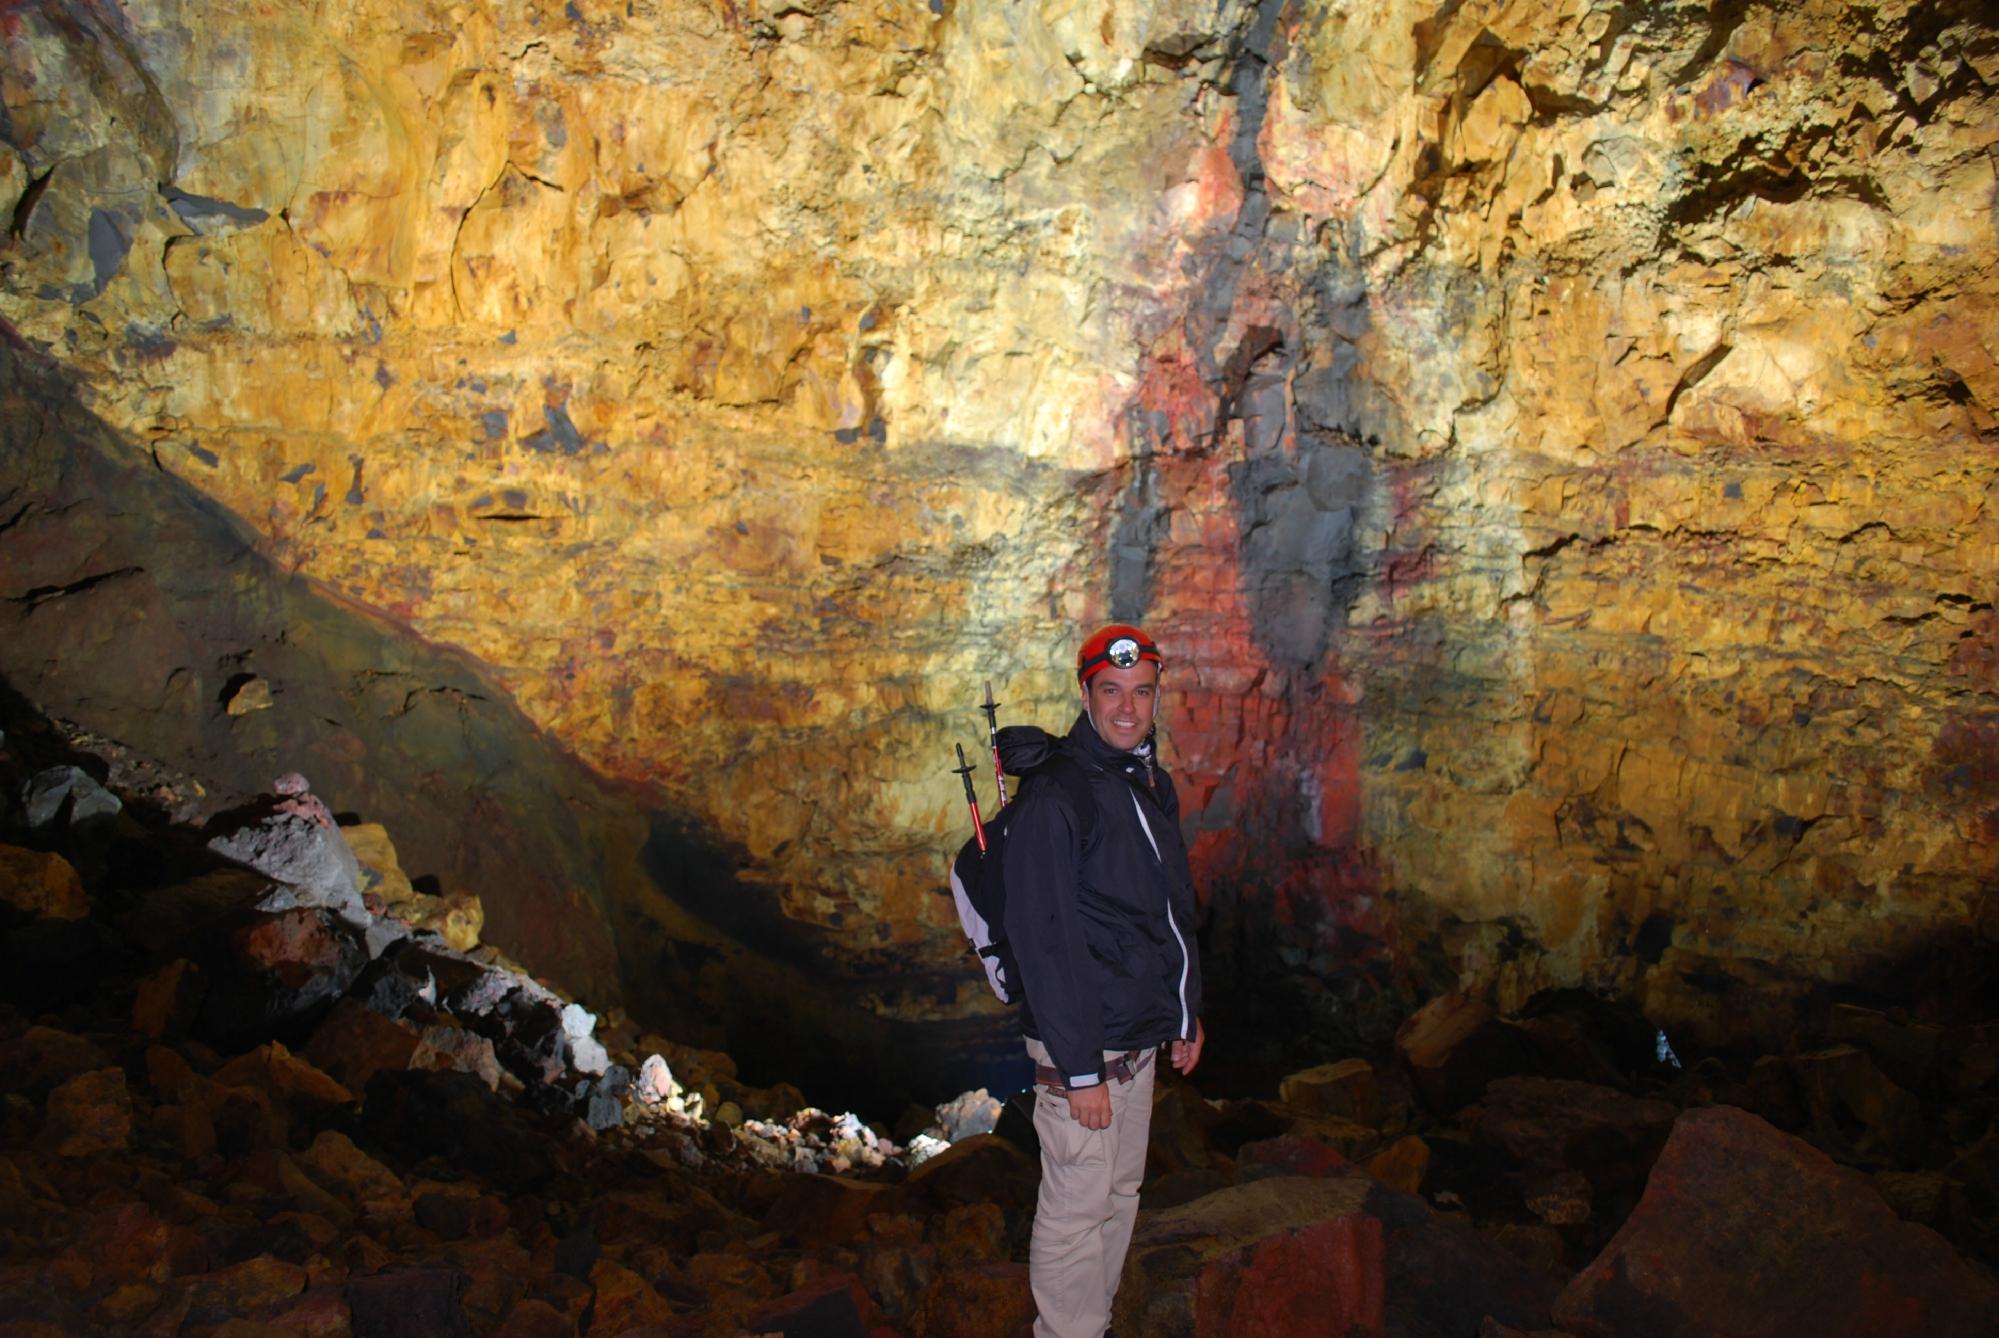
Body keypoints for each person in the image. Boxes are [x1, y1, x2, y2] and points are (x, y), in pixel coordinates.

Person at [999, 622, 1206, 1338]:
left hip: (1138, 1040)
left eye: (1141, 692)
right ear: (1084, 693)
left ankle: (1094, 1325)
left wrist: (1185, 1013)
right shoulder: (1056, 798)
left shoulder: (1145, 781)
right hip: (1082, 1054)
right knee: (1074, 1208)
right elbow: (1042, 943)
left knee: (1119, 1192)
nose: (1127, 708)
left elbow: (1167, 913)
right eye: (1110, 691)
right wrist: (1080, 1070)